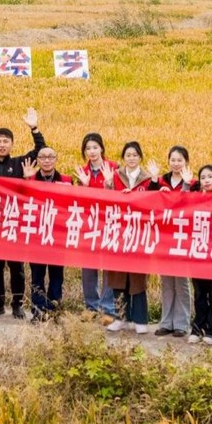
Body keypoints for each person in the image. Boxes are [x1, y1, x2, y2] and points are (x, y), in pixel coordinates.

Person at [0, 108, 45, 319]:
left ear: (12, 144)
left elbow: (41, 151)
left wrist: (34, 128)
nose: (2, 144)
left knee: (17, 267)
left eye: (6, 141)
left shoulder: (19, 163)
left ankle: (17, 303)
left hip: (15, 222)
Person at [103, 142, 160, 334]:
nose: (131, 158)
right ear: (123, 158)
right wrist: (109, 186)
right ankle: (121, 318)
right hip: (118, 233)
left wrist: (153, 182)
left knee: (137, 277)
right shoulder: (115, 177)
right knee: (118, 276)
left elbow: (154, 201)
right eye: (128, 155)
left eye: (135, 155)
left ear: (140, 157)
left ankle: (140, 319)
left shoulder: (147, 179)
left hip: (139, 234)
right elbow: (106, 202)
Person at [22, 147, 73, 323]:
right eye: (43, 157)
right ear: (38, 160)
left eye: (50, 157)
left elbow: (74, 204)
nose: (47, 160)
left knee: (56, 276)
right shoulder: (30, 179)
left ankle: (53, 311)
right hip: (36, 237)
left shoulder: (66, 181)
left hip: (57, 236)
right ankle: (38, 311)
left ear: (56, 159)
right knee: (37, 276)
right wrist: (26, 181)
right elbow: (21, 202)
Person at [73, 133, 119, 318]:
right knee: (88, 267)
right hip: (89, 225)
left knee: (109, 266)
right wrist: (83, 186)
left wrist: (110, 183)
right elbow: (79, 201)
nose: (91, 152)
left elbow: (121, 197)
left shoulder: (114, 168)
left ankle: (107, 307)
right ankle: (91, 306)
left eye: (95, 147)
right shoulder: (82, 172)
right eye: (88, 148)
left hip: (109, 223)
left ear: (102, 148)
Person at [155, 145, 196, 338]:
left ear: (186, 162)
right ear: (168, 161)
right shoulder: (161, 180)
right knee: (166, 281)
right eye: (173, 160)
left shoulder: (193, 183)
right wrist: (156, 187)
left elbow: (192, 206)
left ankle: (181, 323)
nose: (176, 163)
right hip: (164, 237)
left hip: (183, 237)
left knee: (181, 282)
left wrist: (186, 186)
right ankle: (166, 322)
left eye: (180, 160)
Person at [187, 165, 212, 345]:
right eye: (203, 177)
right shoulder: (195, 198)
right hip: (198, 251)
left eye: (210, 176)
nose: (206, 180)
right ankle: (198, 327)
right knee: (199, 293)